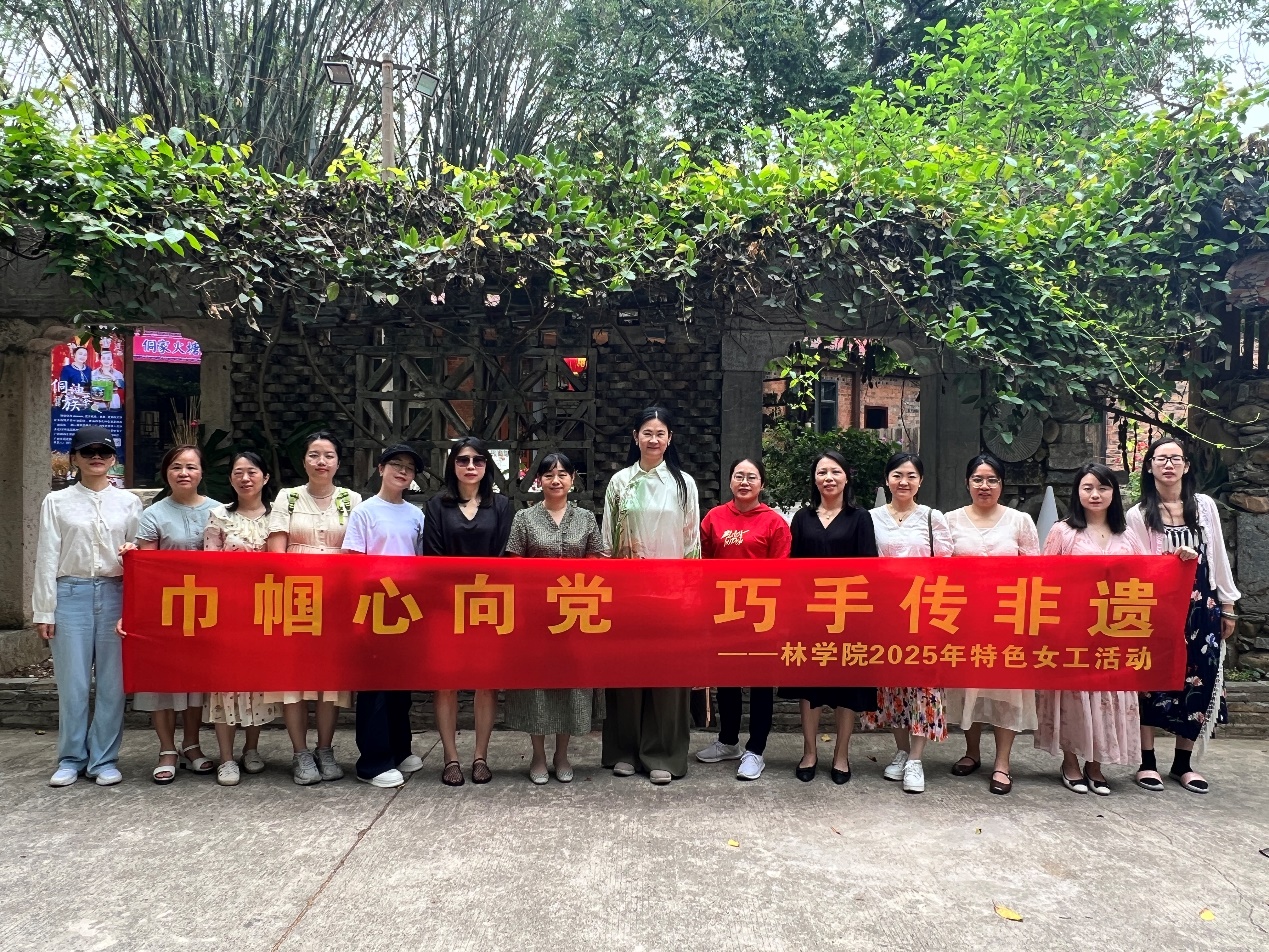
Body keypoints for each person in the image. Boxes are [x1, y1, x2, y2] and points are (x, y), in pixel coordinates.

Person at [1126, 437, 1237, 795]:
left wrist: (1228, 604)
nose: (1169, 465)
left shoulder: (1204, 506)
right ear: (1149, 466)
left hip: (1203, 605)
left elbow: (1217, 555)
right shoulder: (1138, 514)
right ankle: (1146, 761)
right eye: (1161, 459)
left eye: (1176, 459)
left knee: (1199, 677)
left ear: (1186, 466)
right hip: (1156, 607)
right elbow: (1137, 564)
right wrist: (1171, 560)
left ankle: (1183, 763)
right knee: (1149, 679)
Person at [34, 426, 141, 787]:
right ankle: (70, 758)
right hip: (70, 594)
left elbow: (138, 556)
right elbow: (47, 557)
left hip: (115, 594)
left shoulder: (129, 503)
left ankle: (104, 759)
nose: (97, 457)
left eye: (104, 451)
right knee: (73, 685)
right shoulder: (57, 502)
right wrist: (44, 609)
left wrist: (134, 601)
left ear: (113, 458)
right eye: (88, 451)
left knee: (113, 685)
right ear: (74, 458)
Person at [601, 406, 701, 785]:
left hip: (671, 592)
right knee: (627, 671)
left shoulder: (683, 484)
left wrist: (690, 590)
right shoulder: (620, 482)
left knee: (667, 674)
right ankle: (624, 750)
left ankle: (663, 753)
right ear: (635, 437)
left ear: (670, 438)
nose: (653, 439)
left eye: (660, 433)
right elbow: (608, 539)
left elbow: (691, 540)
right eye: (647, 432)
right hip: (628, 592)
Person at [1035, 462, 1145, 796]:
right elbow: (1046, 580)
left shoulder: (1128, 535)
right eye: (1088, 488)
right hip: (1074, 629)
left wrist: (1179, 561)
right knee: (1074, 698)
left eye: (1103, 488)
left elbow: (1147, 577)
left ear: (1114, 493)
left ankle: (1096, 765)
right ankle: (1070, 762)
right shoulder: (1063, 532)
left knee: (1107, 697)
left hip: (1116, 630)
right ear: (1077, 492)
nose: (1095, 494)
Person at [504, 452, 608, 784]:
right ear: (539, 481)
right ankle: (537, 754)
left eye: (563, 474)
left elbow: (597, 561)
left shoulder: (586, 518)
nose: (556, 480)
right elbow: (514, 565)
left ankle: (562, 754)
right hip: (535, 618)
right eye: (549, 474)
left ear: (572, 480)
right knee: (536, 685)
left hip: (575, 615)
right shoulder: (524, 518)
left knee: (570, 684)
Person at [266, 431, 361, 785]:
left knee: (329, 680)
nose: (321, 462)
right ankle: (300, 752)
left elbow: (357, 550)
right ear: (303, 460)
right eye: (314, 455)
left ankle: (325, 748)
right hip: (295, 598)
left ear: (338, 461)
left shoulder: (351, 499)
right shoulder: (287, 498)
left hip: (336, 601)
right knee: (294, 678)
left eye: (328, 455)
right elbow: (276, 553)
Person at [780, 450, 879, 785]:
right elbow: (793, 567)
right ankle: (809, 752)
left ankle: (841, 754)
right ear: (814, 479)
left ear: (846, 477)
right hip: (808, 616)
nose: (828, 478)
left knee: (846, 688)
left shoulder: (859, 518)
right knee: (809, 687)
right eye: (822, 472)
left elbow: (869, 568)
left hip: (848, 614)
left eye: (835, 471)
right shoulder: (802, 518)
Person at [945, 452, 1040, 795]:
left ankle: (1002, 763)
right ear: (967, 483)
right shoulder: (950, 520)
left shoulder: (1019, 521)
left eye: (992, 480)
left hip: (1008, 620)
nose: (984, 486)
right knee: (968, 686)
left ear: (1002, 484)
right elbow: (939, 568)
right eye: (977, 479)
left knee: (1006, 690)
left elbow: (1035, 571)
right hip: (964, 619)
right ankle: (971, 752)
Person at [422, 437, 513, 786]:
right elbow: (434, 557)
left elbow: (504, 556)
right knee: (445, 683)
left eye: (478, 460)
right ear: (453, 466)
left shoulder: (501, 505)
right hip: (446, 607)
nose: (471, 466)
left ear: (487, 466)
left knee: (485, 684)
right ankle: (450, 758)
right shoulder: (436, 505)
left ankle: (480, 756)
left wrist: (482, 592)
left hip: (488, 606)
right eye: (463, 460)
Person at [693, 457, 791, 781]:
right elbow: (704, 562)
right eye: (739, 476)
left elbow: (782, 572)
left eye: (751, 477)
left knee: (761, 683)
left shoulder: (774, 523)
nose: (744, 482)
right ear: (730, 481)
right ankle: (728, 741)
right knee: (727, 679)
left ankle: (756, 750)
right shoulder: (714, 518)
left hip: (761, 614)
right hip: (724, 612)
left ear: (762, 483)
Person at [861, 452, 953, 794]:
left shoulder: (932, 518)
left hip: (923, 614)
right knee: (892, 687)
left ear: (920, 481)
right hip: (884, 616)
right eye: (897, 475)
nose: (904, 481)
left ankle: (916, 759)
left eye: (911, 476)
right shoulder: (870, 518)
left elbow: (946, 567)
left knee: (922, 685)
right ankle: (901, 751)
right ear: (887, 479)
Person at [132, 444, 221, 784]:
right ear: (166, 473)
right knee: (163, 682)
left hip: (205, 610)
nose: (184, 473)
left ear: (202, 472)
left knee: (196, 682)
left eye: (191, 467)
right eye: (176, 467)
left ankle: (192, 745)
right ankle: (167, 749)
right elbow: (146, 568)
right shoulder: (153, 514)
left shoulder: (218, 511)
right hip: (165, 610)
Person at [343, 444, 428, 788]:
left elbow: (421, 563)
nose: (402, 471)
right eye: (396, 464)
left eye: (409, 467)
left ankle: (399, 749)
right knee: (375, 686)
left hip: (405, 607)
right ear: (380, 468)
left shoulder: (416, 515)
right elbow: (352, 563)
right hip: (373, 604)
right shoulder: (364, 512)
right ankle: (373, 762)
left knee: (400, 685)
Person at [201, 451, 281, 786]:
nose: (245, 478)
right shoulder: (218, 516)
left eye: (252, 472)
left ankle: (251, 748)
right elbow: (208, 566)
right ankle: (226, 757)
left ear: (265, 477)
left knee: (256, 683)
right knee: (225, 684)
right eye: (238, 472)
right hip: (228, 612)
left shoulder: (278, 517)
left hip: (266, 611)